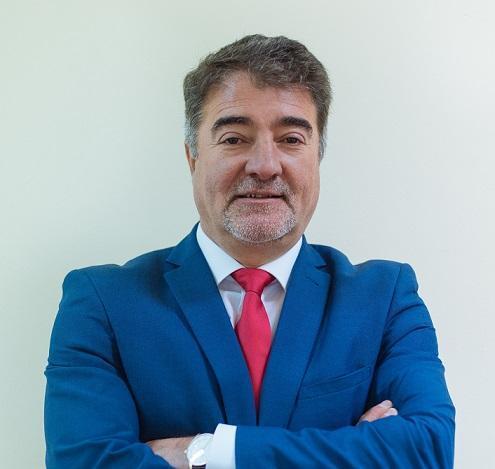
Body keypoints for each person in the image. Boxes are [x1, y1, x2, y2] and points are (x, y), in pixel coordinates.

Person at [44, 34, 455, 468]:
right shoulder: (103, 302)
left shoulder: (385, 297)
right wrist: (354, 447)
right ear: (192, 158)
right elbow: (83, 462)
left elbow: (428, 449)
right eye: (234, 138)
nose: (264, 165)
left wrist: (204, 452)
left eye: (291, 139)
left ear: (317, 157)